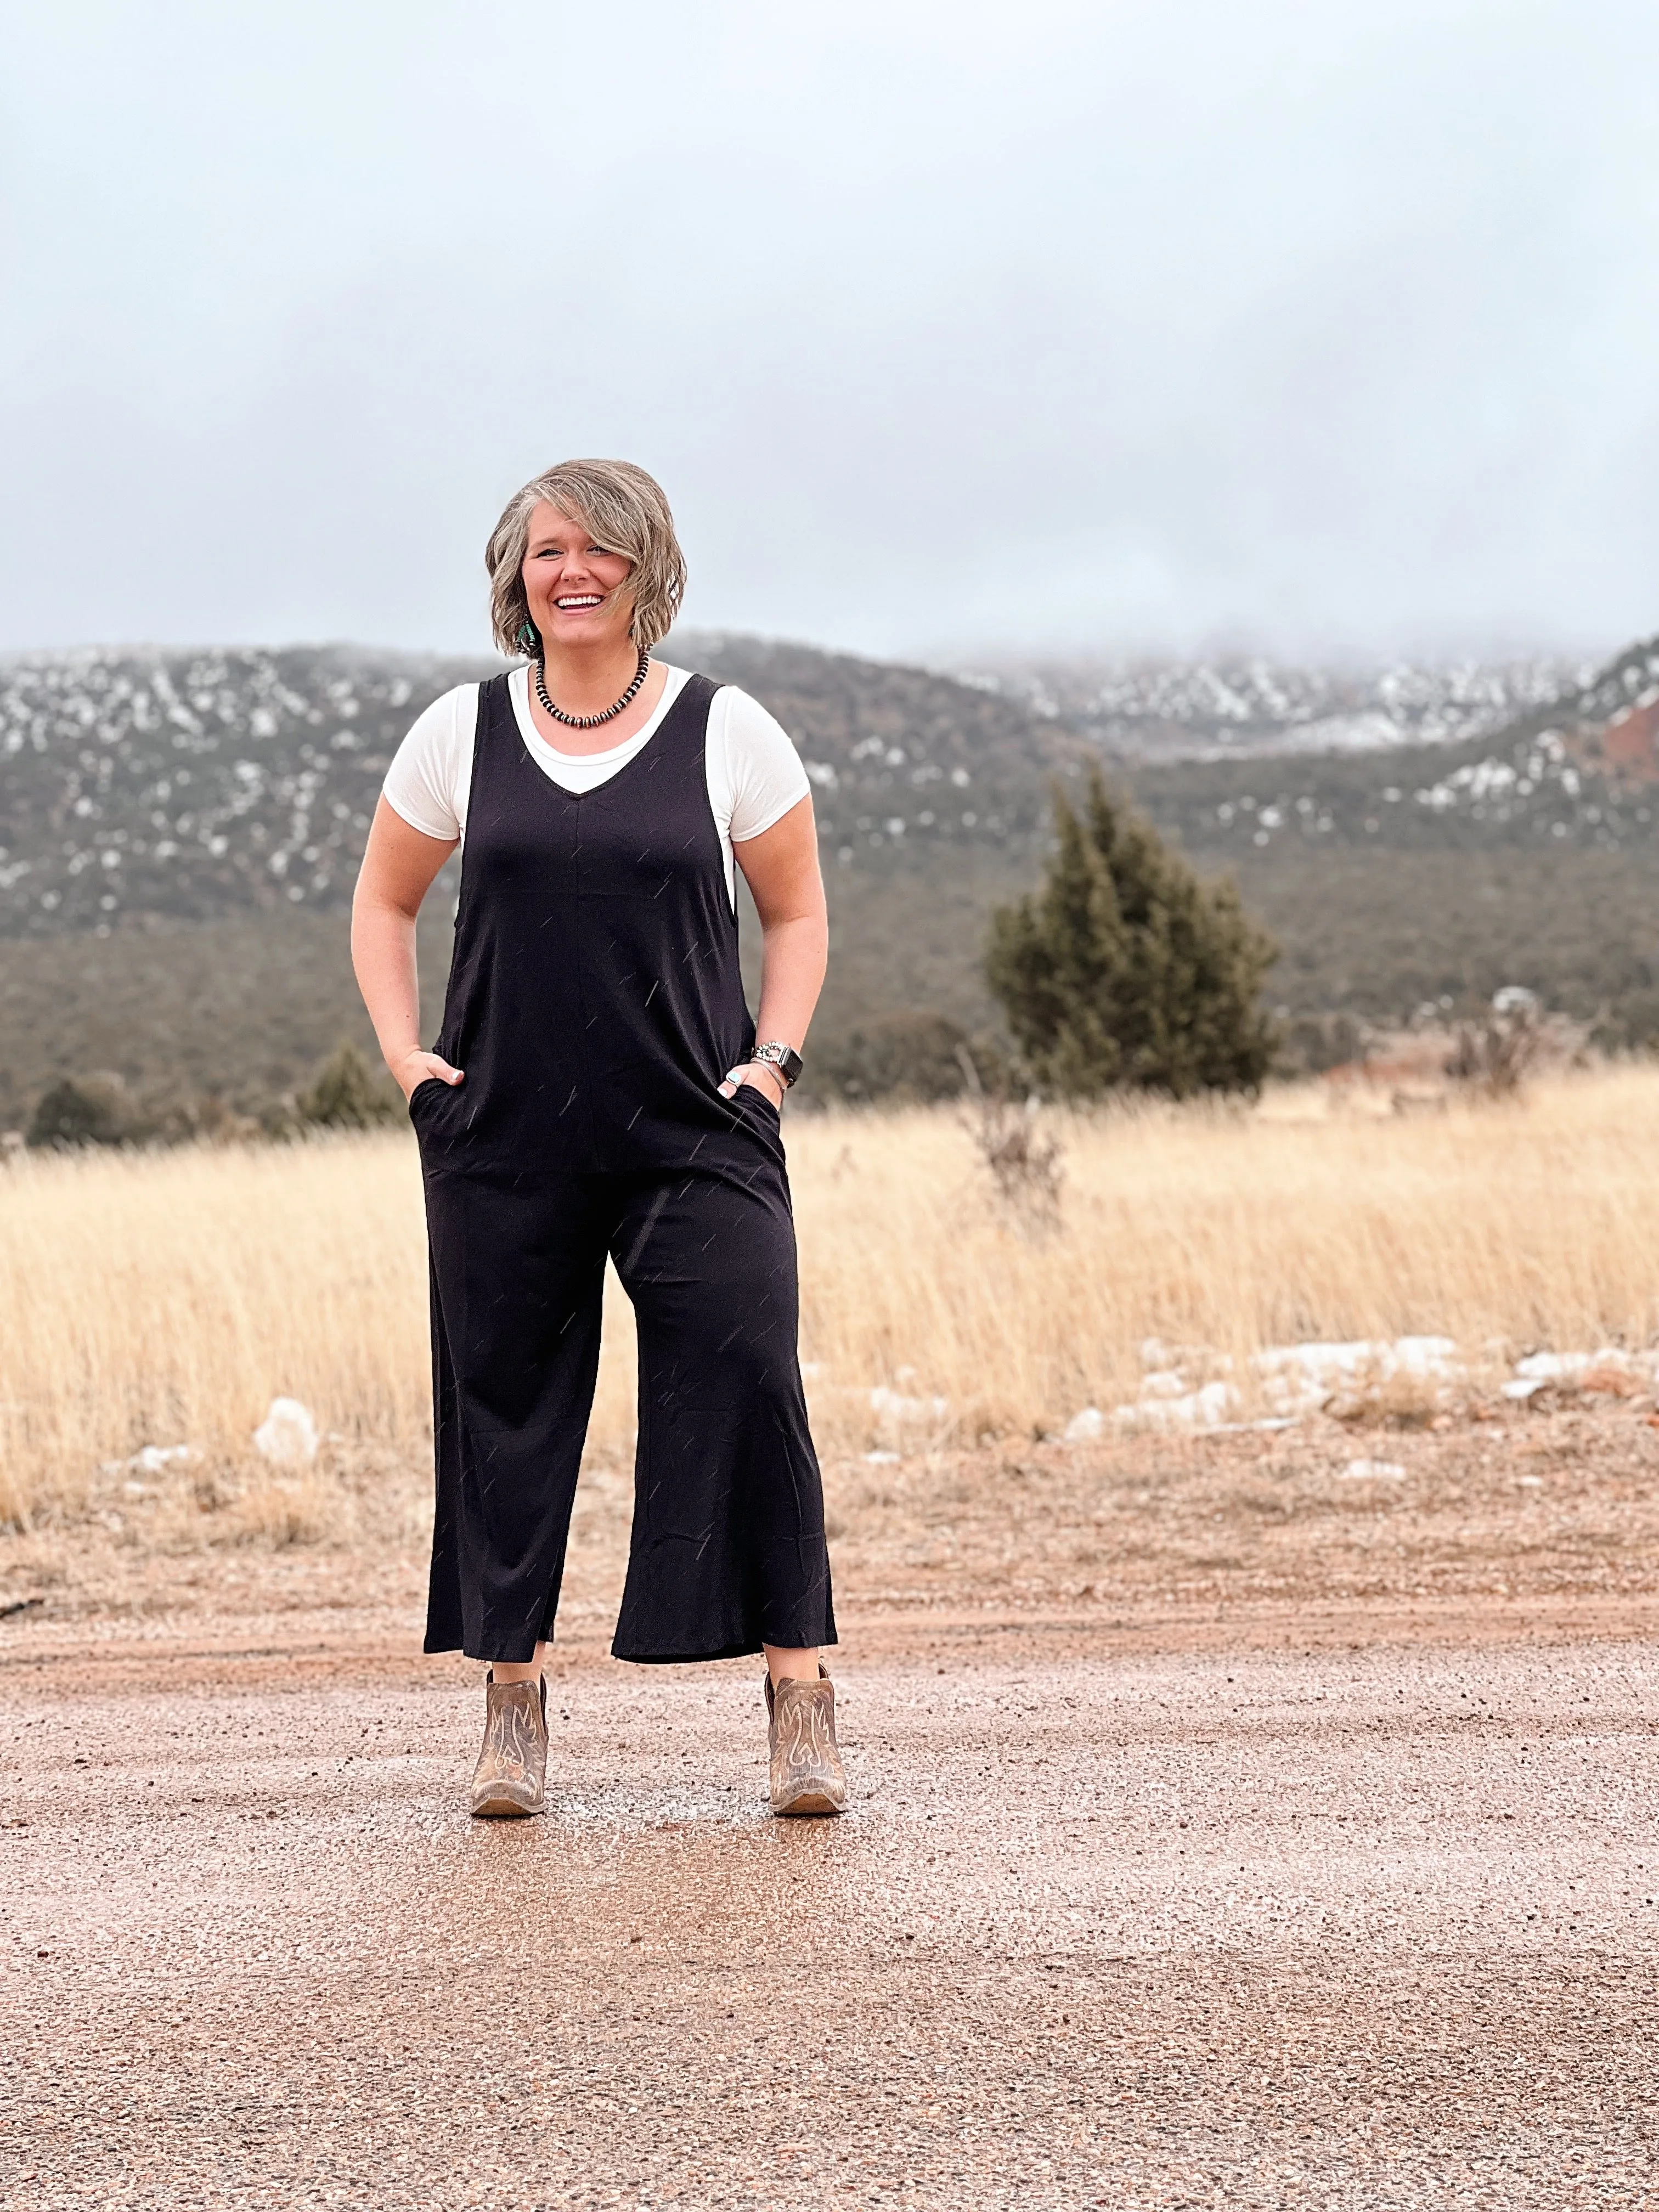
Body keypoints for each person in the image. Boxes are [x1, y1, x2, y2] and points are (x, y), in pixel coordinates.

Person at [351, 459, 844, 1819]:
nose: (573, 571)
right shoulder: (460, 732)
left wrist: (773, 1065)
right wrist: (412, 1065)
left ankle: (799, 1701)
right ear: (516, 574)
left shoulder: (724, 728)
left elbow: (796, 915)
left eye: (602, 550)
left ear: (647, 567)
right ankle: (512, 1701)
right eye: (547, 549)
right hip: (504, 1130)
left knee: (748, 1372)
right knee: (505, 1404)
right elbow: (384, 908)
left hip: (698, 1125)